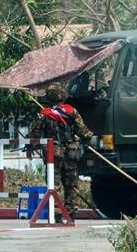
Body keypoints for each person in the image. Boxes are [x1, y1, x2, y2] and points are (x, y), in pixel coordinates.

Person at [28, 83, 93, 221]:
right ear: (63, 96)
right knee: (71, 184)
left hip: (53, 155)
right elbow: (84, 132)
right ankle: (71, 213)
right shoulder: (71, 111)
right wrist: (88, 138)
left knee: (54, 185)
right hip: (71, 153)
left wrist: (30, 148)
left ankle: (57, 214)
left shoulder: (45, 114)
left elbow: (34, 134)